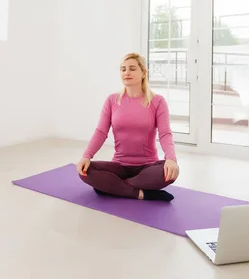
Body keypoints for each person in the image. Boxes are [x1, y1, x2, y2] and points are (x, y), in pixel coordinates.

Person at [76, 52, 180, 202]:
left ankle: (111, 187)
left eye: (132, 68)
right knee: (86, 171)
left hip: (147, 168)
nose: (127, 72)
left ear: (143, 73)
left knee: (172, 171)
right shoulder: (112, 100)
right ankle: (141, 194)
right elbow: (101, 132)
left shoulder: (157, 101)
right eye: (123, 69)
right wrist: (86, 156)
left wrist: (171, 159)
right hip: (119, 166)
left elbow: (165, 134)